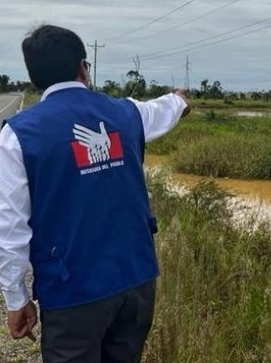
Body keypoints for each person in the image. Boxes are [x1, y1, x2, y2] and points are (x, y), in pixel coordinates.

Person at [0, 25, 190, 362]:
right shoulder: (128, 112)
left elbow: (10, 228)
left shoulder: (17, 135)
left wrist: (16, 300)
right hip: (137, 280)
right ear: (83, 67)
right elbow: (164, 108)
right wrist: (180, 101)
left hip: (74, 291)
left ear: (33, 79)